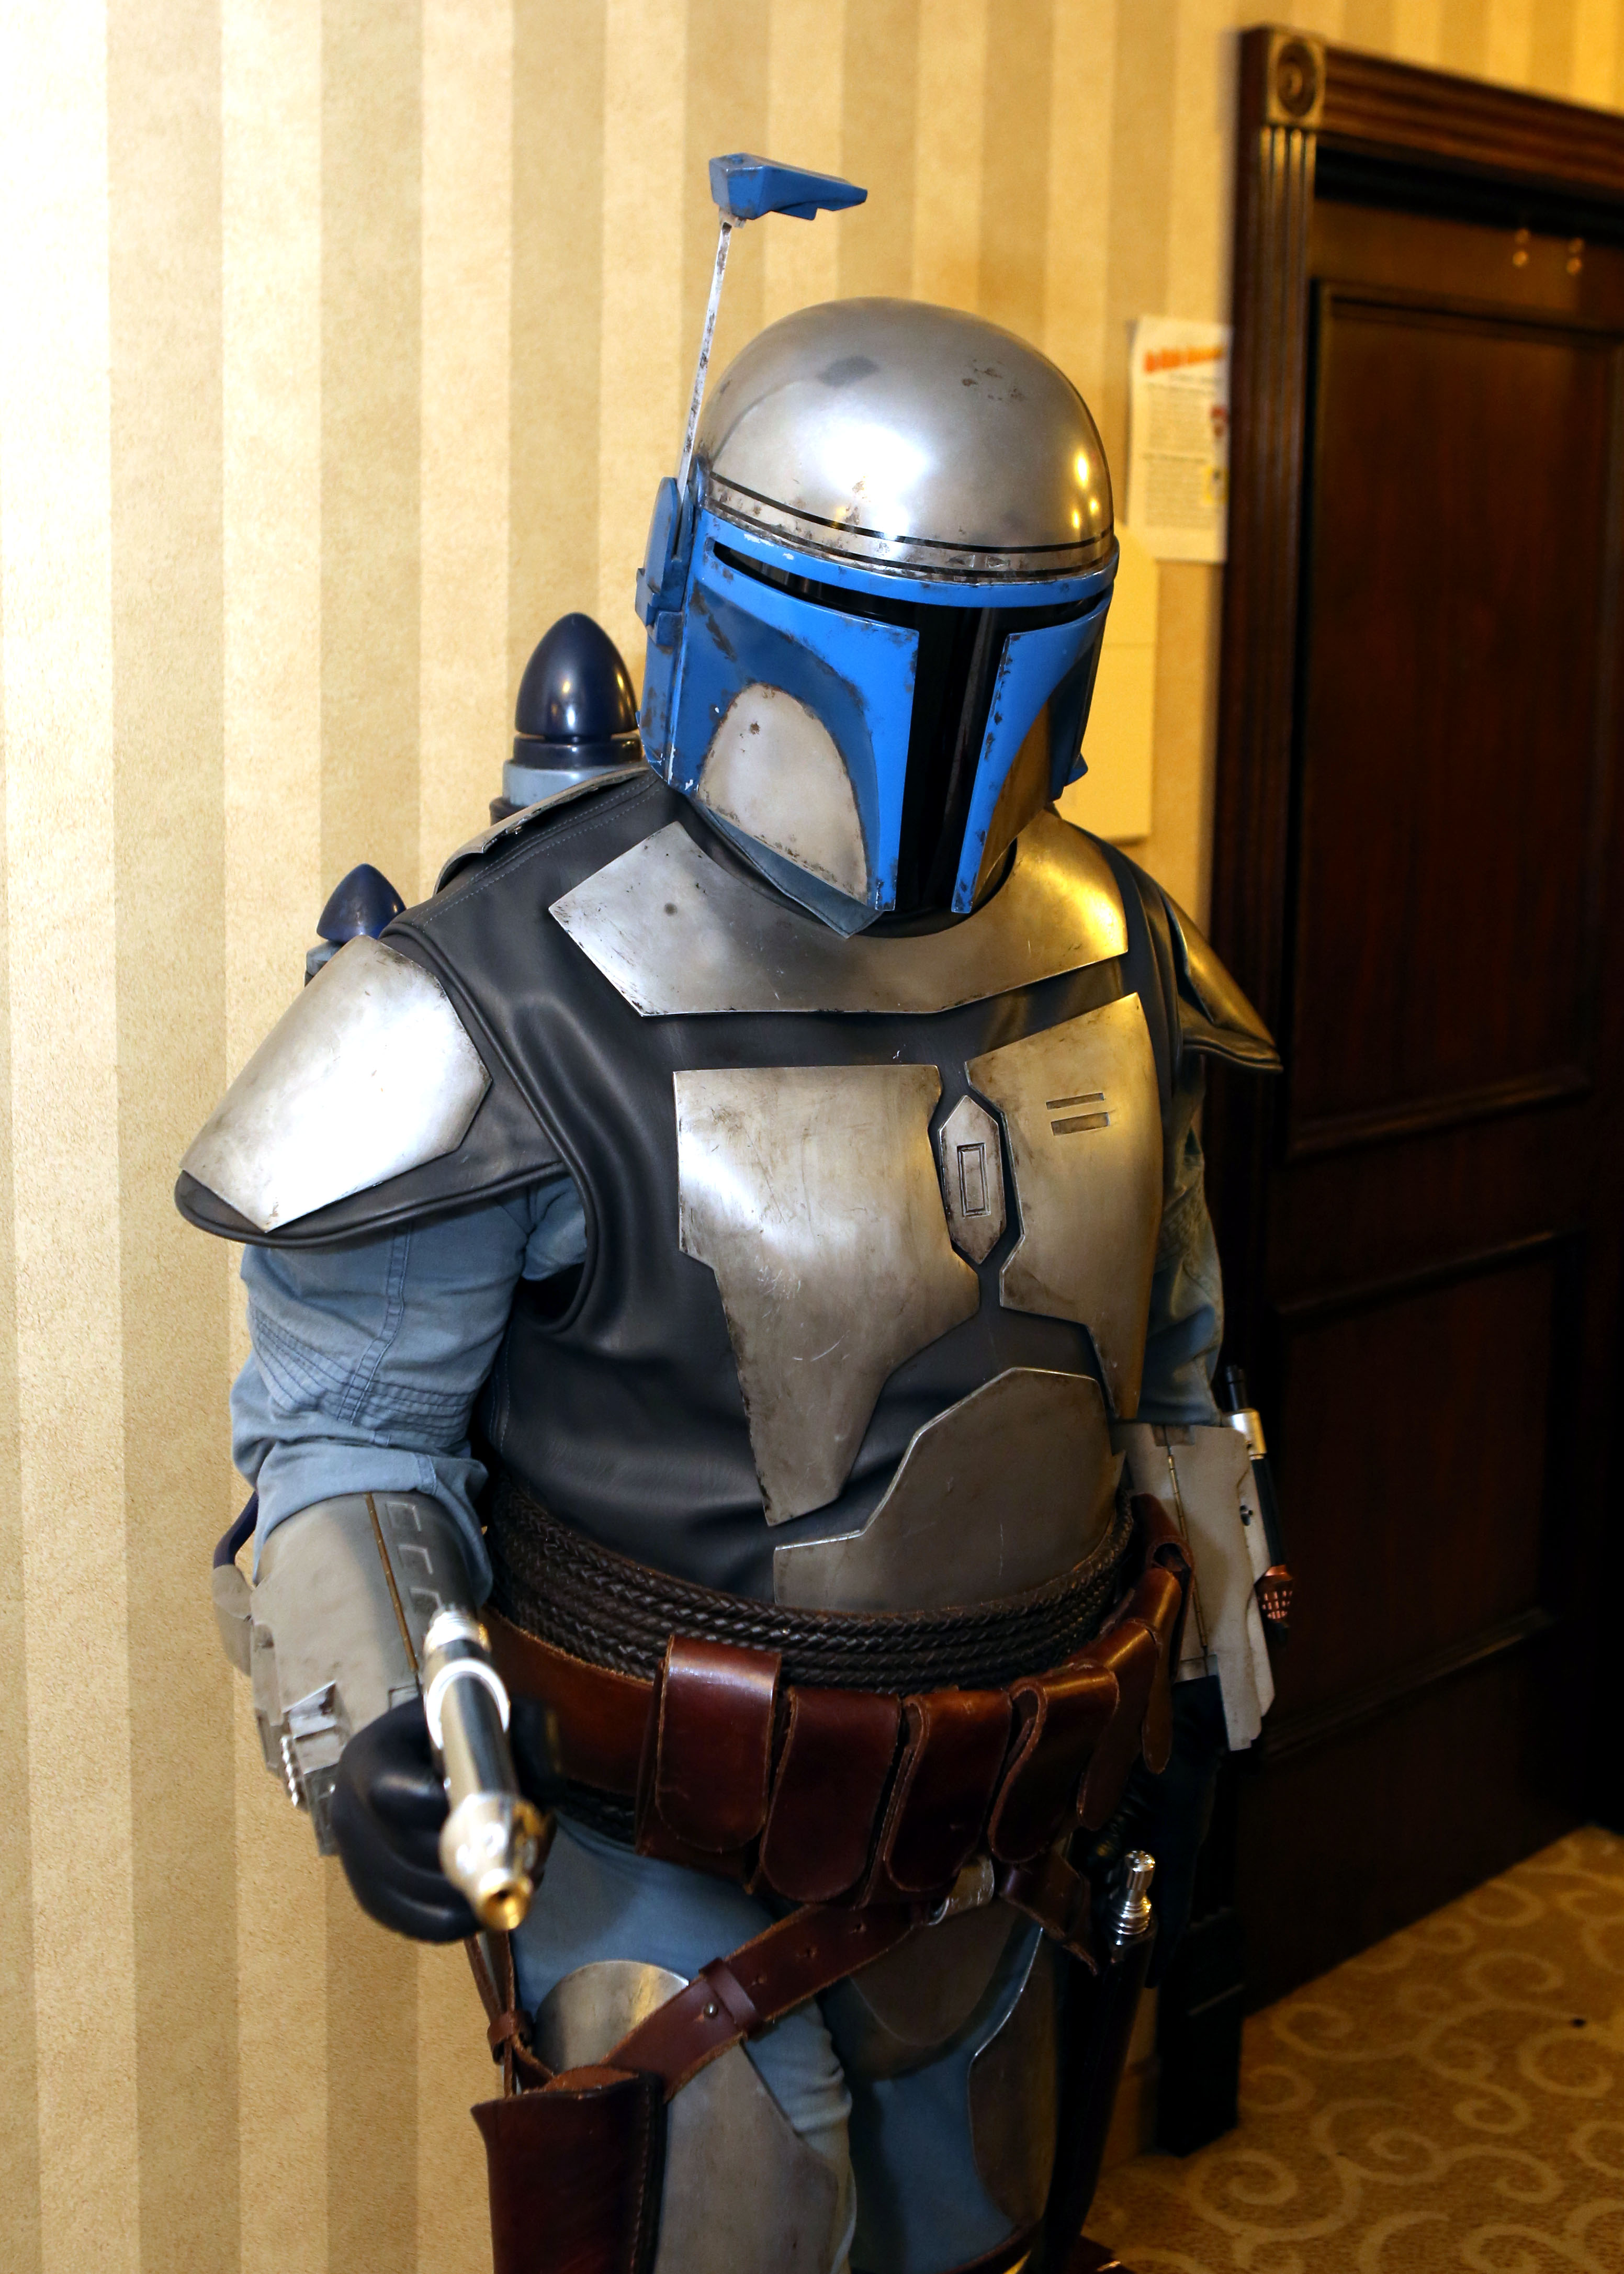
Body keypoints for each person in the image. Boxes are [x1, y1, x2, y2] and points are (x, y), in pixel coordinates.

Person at [179, 166, 1281, 2274]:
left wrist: (1218, 1634)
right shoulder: (506, 986)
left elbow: (1170, 1356)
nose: (944, 709)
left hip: (1017, 1830)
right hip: (663, 1857)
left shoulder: (1116, 944)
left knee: (990, 2220)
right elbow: (342, 1433)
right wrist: (386, 1724)